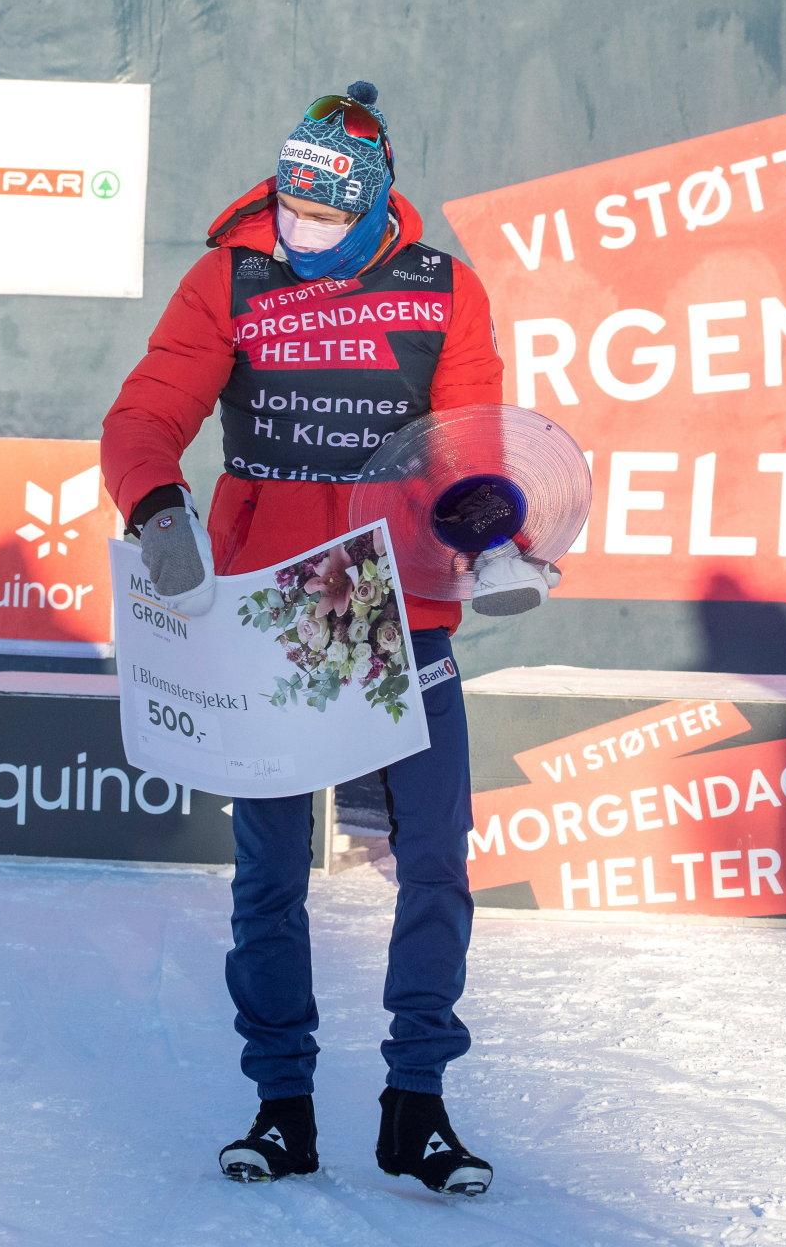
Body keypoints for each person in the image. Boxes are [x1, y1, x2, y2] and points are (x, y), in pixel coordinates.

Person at [101, 81, 536, 1197]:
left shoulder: (445, 292)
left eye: (326, 219)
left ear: (376, 201)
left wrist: (493, 538)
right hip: (268, 607)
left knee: (436, 853)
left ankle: (418, 1101)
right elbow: (146, 415)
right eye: (292, 210)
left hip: (403, 603)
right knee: (269, 871)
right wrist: (159, 511)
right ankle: (280, 1101)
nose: (301, 233)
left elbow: (471, 442)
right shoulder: (231, 276)